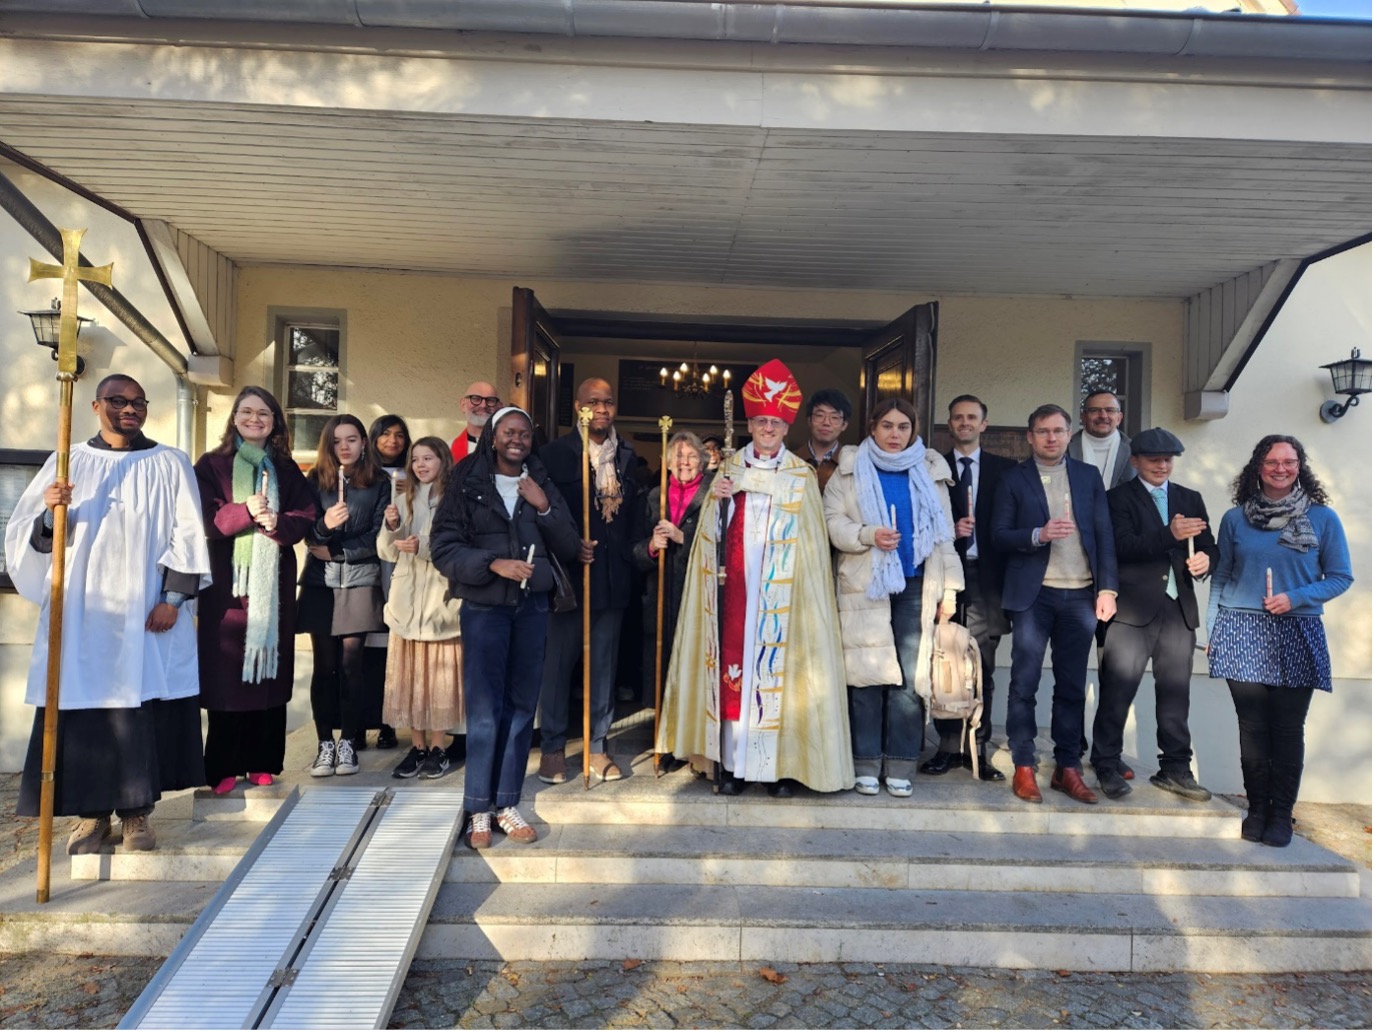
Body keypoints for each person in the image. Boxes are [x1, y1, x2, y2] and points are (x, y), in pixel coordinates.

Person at [5, 374, 210, 854]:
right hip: (84, 614)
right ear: (97, 405)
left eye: (139, 402)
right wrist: (49, 513)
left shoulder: (169, 462)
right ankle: (91, 817)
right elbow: (29, 539)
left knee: (141, 707)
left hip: (146, 612)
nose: (130, 409)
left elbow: (189, 534)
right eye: (118, 401)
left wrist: (173, 598)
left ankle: (138, 817)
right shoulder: (69, 460)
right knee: (85, 712)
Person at [657, 359, 853, 797]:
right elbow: (707, 540)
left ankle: (780, 768)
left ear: (786, 428)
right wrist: (720, 505)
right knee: (733, 677)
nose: (768, 429)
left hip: (783, 600)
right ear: (750, 423)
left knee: (783, 680)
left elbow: (812, 549)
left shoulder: (801, 476)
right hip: (735, 595)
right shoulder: (725, 471)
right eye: (761, 421)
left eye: (776, 423)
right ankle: (730, 766)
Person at [431, 407, 581, 848]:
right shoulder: (467, 480)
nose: (518, 439)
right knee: (483, 710)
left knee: (520, 708)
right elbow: (443, 547)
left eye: (525, 434)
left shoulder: (540, 480)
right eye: (509, 433)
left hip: (532, 609)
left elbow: (570, 545)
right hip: (484, 609)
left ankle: (506, 803)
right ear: (494, 437)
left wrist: (546, 506)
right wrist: (492, 563)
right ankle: (478, 807)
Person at [1207, 435, 1352, 847]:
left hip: (1297, 628)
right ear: (1258, 466)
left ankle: (1281, 815)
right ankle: (1256, 809)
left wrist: (1296, 597)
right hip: (1241, 628)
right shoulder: (1236, 519)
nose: (1280, 468)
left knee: (1287, 729)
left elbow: (1341, 577)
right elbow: (1222, 576)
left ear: (1299, 467)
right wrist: (1213, 629)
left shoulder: (1323, 519)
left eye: (1289, 461)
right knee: (1252, 728)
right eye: (1272, 461)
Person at [824, 398, 961, 798]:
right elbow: (832, 523)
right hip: (864, 583)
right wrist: (868, 535)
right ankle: (865, 761)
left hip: (918, 583)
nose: (895, 434)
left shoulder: (931, 470)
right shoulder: (847, 471)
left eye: (903, 426)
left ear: (914, 430)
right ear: (872, 428)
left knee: (909, 676)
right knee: (865, 675)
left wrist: (950, 590)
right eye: (887, 426)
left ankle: (901, 761)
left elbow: (944, 535)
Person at [991, 403, 1118, 806]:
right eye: (1043, 431)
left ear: (1069, 434)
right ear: (1030, 437)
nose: (1051, 437)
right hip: (1034, 594)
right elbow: (999, 535)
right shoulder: (1013, 478)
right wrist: (1037, 534)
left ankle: (1068, 768)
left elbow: (1104, 535)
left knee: (1072, 686)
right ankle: (1024, 765)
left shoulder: (1087, 475)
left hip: (1080, 593)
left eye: (1058, 431)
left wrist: (1107, 589)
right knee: (1023, 683)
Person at [194, 386, 317, 795]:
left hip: (272, 585)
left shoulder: (284, 467)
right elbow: (204, 517)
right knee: (228, 673)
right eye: (246, 412)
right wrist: (245, 510)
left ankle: (262, 761)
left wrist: (274, 521)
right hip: (229, 586)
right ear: (234, 418)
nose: (255, 419)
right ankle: (225, 767)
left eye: (264, 413)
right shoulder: (212, 465)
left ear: (275, 422)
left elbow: (306, 514)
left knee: (269, 672)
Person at [1090, 428, 1217, 802]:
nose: (1162, 465)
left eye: (1168, 459)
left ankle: (1175, 769)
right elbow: (1120, 547)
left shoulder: (1189, 497)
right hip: (1131, 610)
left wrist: (1206, 560)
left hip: (1179, 609)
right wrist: (1169, 533)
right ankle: (1106, 765)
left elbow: (1210, 545)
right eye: (1153, 459)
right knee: (1118, 691)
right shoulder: (1117, 498)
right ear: (1135, 461)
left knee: (1176, 695)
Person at [536, 378, 646, 784]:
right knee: (558, 666)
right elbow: (541, 515)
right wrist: (568, 546)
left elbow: (634, 521)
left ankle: (597, 746)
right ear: (578, 407)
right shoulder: (551, 454)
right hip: (568, 578)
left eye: (608, 402)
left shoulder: (628, 457)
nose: (601, 409)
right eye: (593, 402)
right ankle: (552, 747)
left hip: (612, 578)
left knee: (603, 667)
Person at [921, 394, 1015, 781]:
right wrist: (953, 532)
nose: (965, 423)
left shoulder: (1005, 470)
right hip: (947, 577)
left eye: (972, 417)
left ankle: (978, 748)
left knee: (981, 667)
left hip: (988, 580)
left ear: (984, 424)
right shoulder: (933, 468)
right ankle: (946, 747)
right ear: (949, 424)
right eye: (958, 417)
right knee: (944, 662)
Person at [298, 414, 389, 778]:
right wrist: (324, 526)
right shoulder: (315, 480)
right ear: (329, 445)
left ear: (364, 442)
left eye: (352, 439)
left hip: (359, 580)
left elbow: (379, 537)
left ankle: (349, 741)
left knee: (353, 665)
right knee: (324, 667)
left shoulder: (378, 482)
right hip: (320, 583)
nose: (345, 447)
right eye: (337, 441)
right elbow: (305, 531)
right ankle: (324, 743)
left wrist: (338, 551)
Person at [380, 437, 464, 780]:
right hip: (406, 602)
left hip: (440, 603)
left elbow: (459, 547)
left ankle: (439, 748)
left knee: (440, 682)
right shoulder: (402, 497)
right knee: (409, 681)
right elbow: (386, 552)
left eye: (428, 458)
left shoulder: (457, 500)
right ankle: (416, 747)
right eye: (416, 459)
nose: (420, 465)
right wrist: (391, 526)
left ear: (444, 460)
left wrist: (423, 546)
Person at [633, 431, 716, 769]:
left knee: (696, 667)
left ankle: (697, 743)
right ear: (667, 462)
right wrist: (652, 547)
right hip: (661, 595)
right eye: (677, 457)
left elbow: (722, 542)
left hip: (699, 595)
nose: (684, 462)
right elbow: (634, 551)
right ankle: (666, 742)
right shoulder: (655, 497)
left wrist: (684, 537)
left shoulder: (714, 494)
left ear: (703, 460)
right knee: (665, 667)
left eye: (691, 456)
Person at [362, 414, 412, 752]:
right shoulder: (363, 474)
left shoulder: (413, 474)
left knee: (393, 649)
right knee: (367, 651)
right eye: (385, 434)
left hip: (400, 566)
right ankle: (362, 723)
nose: (392, 441)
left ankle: (389, 724)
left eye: (399, 435)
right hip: (367, 564)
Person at [1068, 390, 1133, 489]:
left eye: (1110, 410)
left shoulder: (1134, 450)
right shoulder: (1065, 448)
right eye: (1094, 410)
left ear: (1119, 418)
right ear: (1083, 417)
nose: (1103, 416)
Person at [800, 388, 851, 494]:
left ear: (844, 425)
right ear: (809, 420)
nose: (826, 422)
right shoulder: (791, 460)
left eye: (834, 417)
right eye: (819, 415)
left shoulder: (852, 463)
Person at [450, 381, 500, 462]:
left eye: (490, 400)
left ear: (499, 407)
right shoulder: (445, 451)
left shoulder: (507, 450)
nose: (483, 405)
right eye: (476, 399)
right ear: (463, 405)